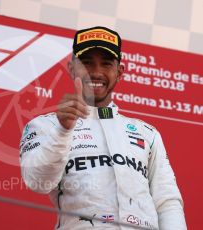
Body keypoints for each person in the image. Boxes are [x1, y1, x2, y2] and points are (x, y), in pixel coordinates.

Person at [20, 26, 186, 229]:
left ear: (119, 72)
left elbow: (167, 201)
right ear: (71, 68)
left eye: (106, 64)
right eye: (87, 63)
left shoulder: (147, 133)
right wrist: (62, 132)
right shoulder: (47, 125)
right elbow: (38, 182)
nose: (96, 72)